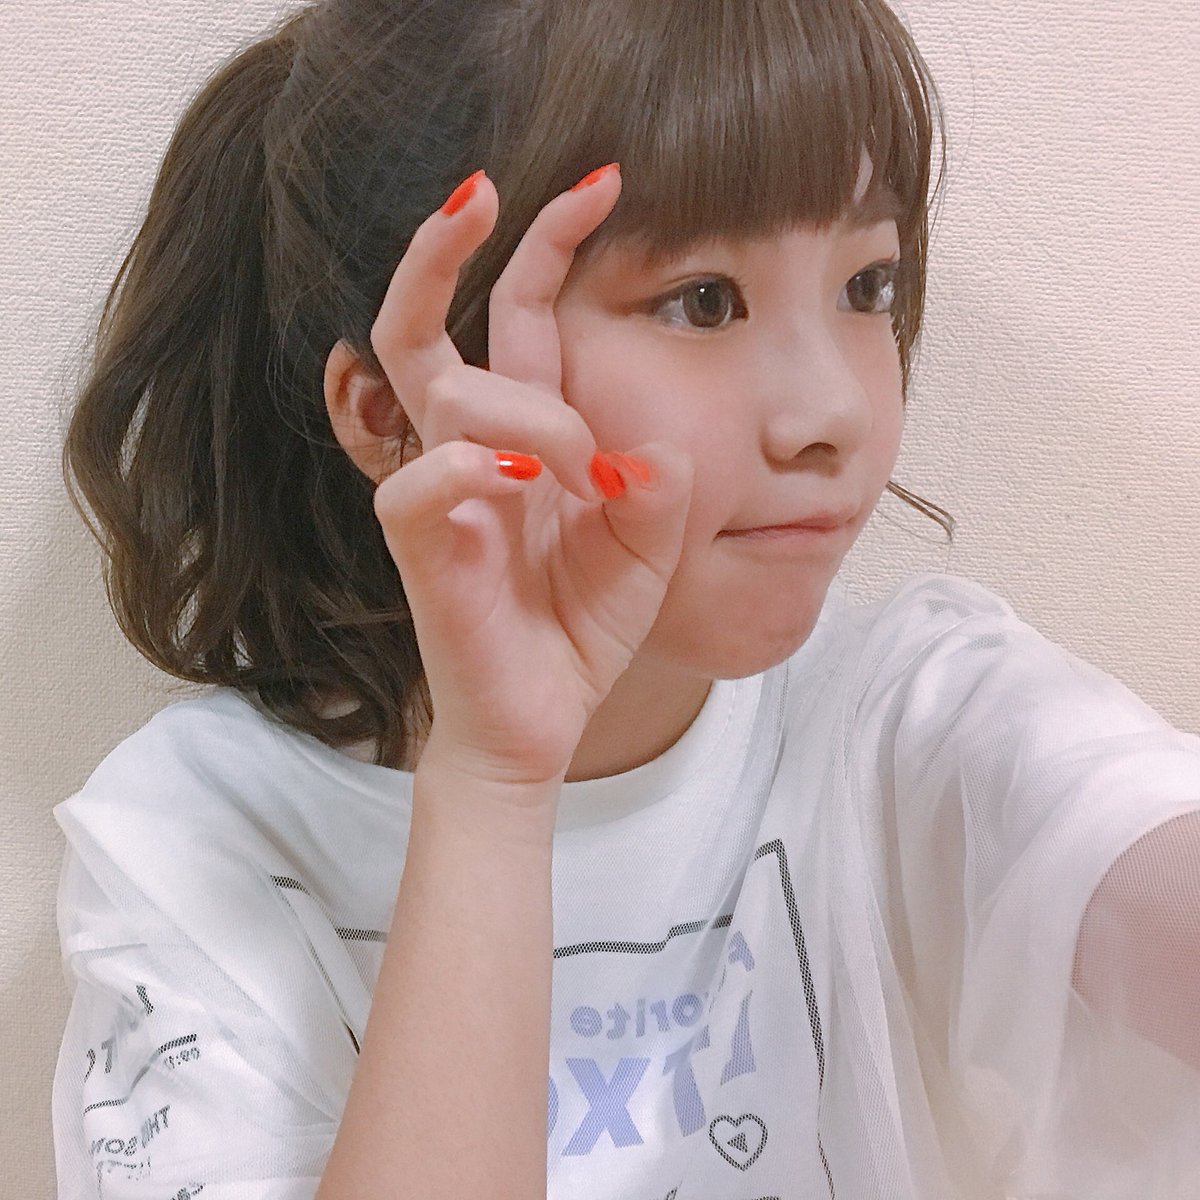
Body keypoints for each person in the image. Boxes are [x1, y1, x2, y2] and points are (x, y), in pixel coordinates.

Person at [50, 0, 1200, 1197]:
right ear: (395, 414)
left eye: (867, 285)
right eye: (703, 299)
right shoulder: (194, 847)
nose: (835, 412)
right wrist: (496, 785)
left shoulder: (904, 720)